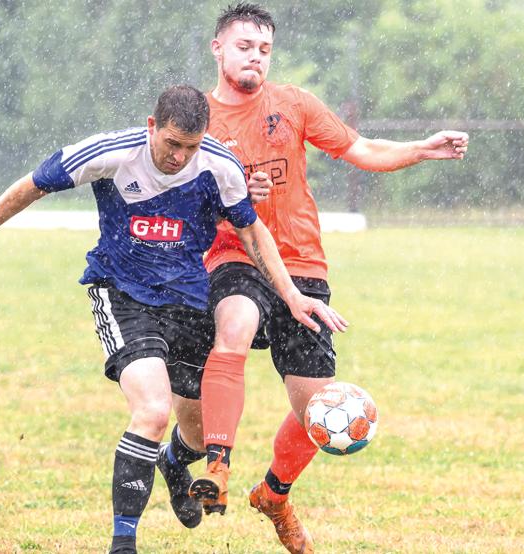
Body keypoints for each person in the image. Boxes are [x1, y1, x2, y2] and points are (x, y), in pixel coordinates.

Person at [0, 85, 347, 554]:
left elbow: (251, 230)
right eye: (170, 144)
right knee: (152, 410)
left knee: (200, 434)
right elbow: (30, 186)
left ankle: (173, 461)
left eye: (190, 146)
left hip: (187, 300)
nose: (179, 157)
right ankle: (123, 543)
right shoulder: (110, 153)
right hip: (123, 294)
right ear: (151, 127)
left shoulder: (219, 165)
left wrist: (291, 295)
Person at [186, 4, 470, 553]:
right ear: (218, 48)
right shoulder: (198, 119)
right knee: (236, 326)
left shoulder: (292, 104)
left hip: (303, 265)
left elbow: (360, 149)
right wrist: (230, 203)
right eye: (245, 46)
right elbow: (178, 196)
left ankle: (274, 494)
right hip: (235, 257)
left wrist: (421, 149)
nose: (256, 58)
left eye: (264, 49)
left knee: (317, 411)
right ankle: (216, 467)